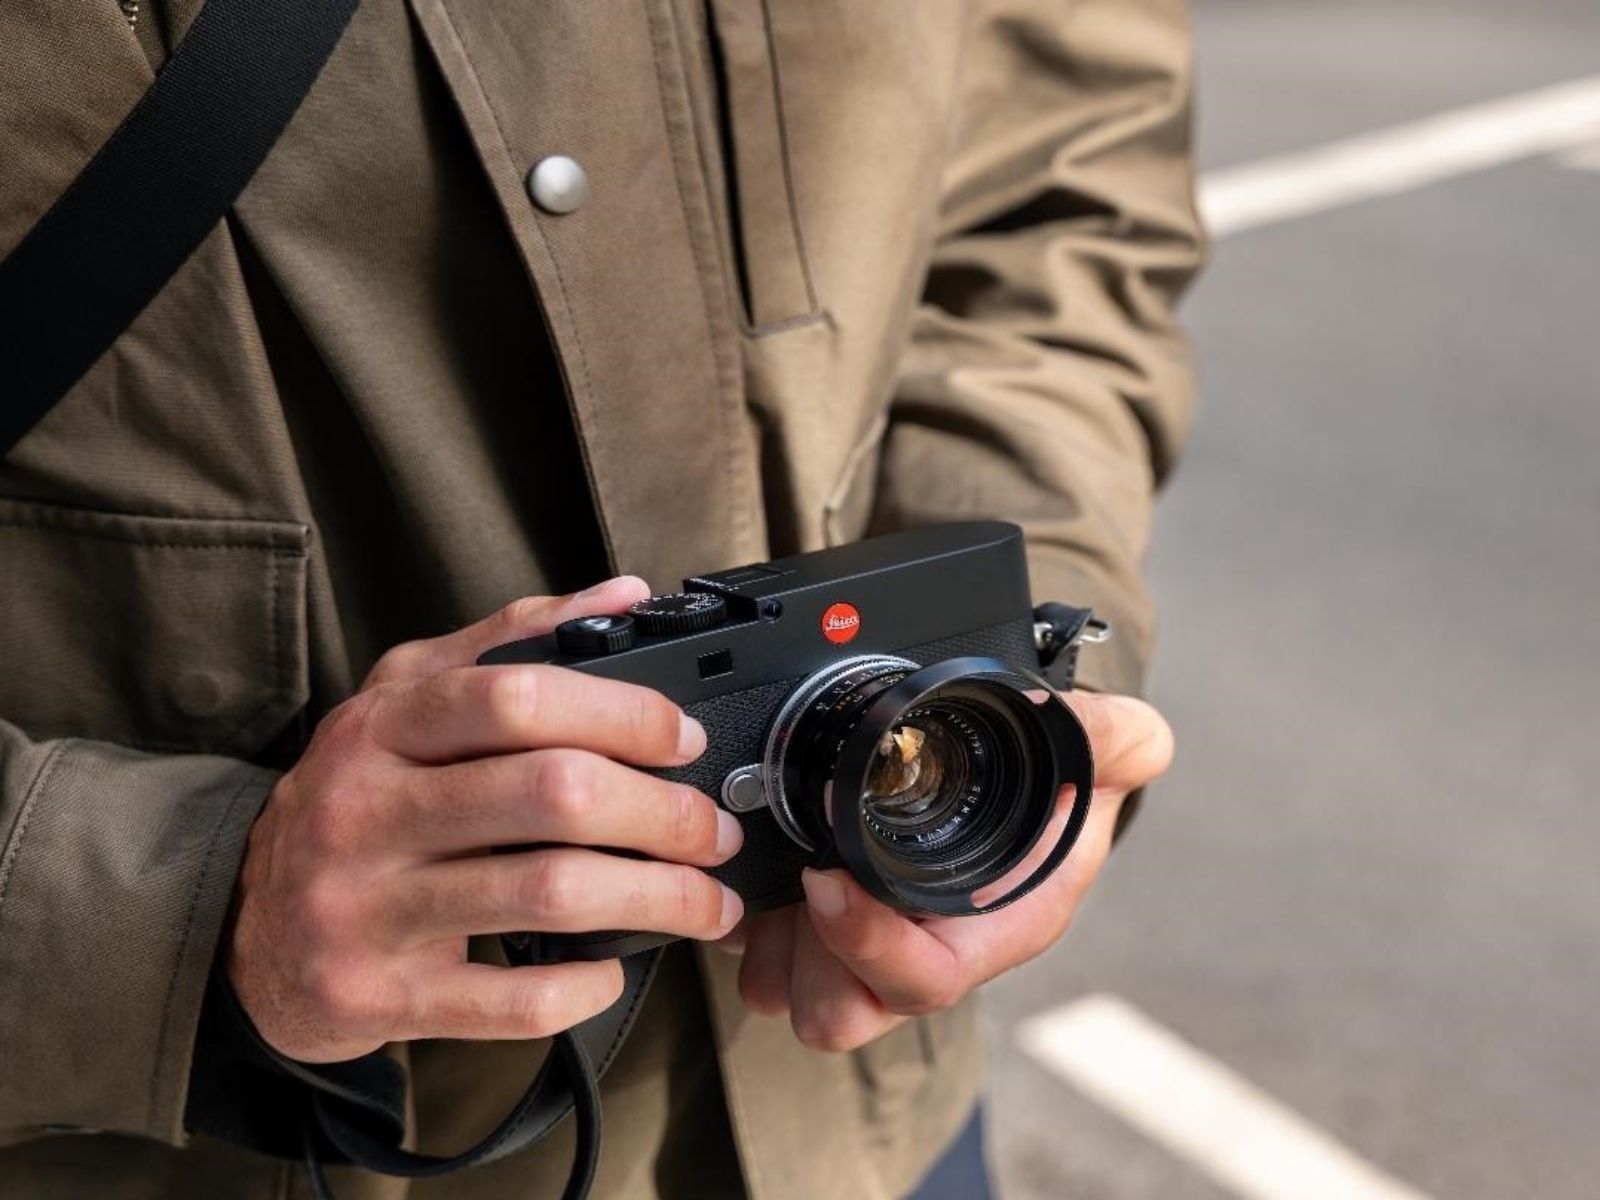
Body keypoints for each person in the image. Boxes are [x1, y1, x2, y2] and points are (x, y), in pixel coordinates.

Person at [0, 0, 1204, 1197]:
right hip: (232, 1154)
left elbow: (1053, 201)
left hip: (869, 1130)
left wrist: (1022, 660)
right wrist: (181, 910)